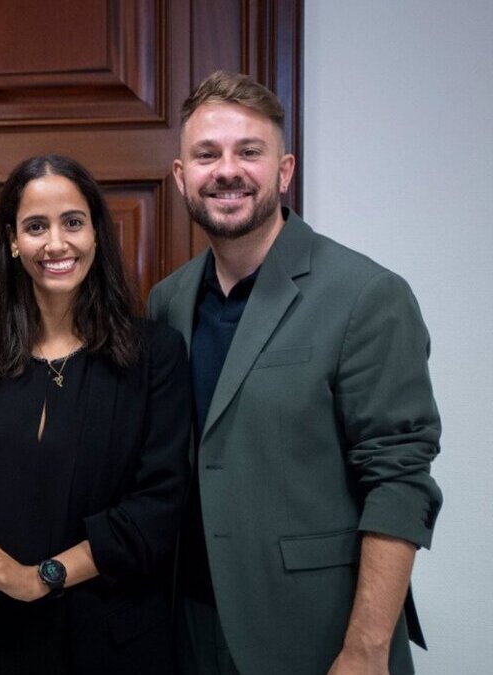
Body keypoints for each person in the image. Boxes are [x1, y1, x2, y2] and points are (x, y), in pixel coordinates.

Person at [147, 71, 443, 675]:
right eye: (207, 154)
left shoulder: (366, 295)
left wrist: (363, 652)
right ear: (182, 177)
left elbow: (399, 482)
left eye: (248, 152)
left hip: (319, 637)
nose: (227, 170)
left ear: (283, 172)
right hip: (188, 631)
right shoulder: (167, 302)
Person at [0, 155, 191, 674]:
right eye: (36, 227)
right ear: (13, 241)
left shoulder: (155, 354)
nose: (56, 244)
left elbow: (158, 508)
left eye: (73, 222)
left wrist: (41, 576)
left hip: (107, 640)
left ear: (96, 235)